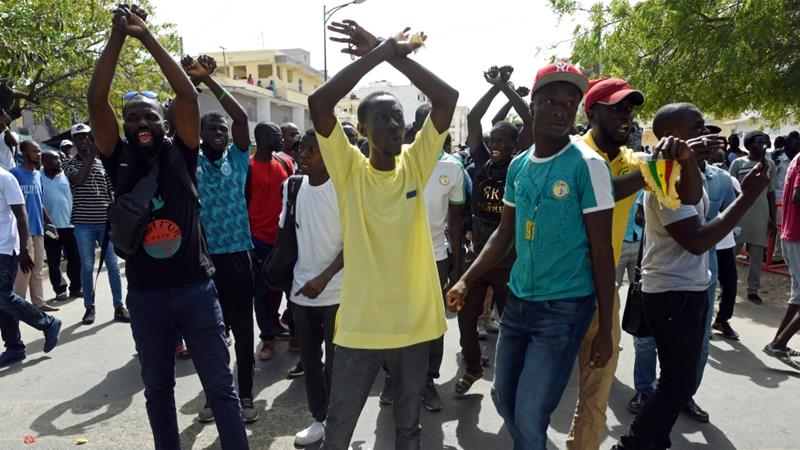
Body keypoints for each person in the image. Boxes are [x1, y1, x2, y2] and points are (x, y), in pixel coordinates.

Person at [87, 5, 248, 449]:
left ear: (164, 122)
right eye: (133, 117)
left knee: (220, 389)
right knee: (158, 391)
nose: (141, 124)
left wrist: (146, 35)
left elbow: (187, 96)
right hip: (146, 297)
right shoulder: (116, 157)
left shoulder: (183, 153)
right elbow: (96, 100)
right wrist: (117, 37)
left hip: (197, 289)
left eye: (149, 116)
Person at [448, 62, 616, 450]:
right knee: (503, 397)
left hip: (564, 310)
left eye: (570, 103)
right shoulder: (519, 166)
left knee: (530, 416)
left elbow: (602, 251)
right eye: (552, 101)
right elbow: (505, 234)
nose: (561, 109)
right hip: (519, 302)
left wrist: (605, 328)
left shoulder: (589, 166)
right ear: (533, 105)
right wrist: (466, 278)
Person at [308, 20, 457, 449]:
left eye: (399, 118)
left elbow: (447, 100)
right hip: (360, 326)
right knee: (339, 429)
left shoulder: (416, 162)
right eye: (383, 119)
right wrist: (379, 53)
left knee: (408, 429)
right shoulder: (350, 169)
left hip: (413, 324)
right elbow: (321, 104)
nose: (395, 126)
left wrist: (395, 54)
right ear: (363, 130)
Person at [612, 103, 770, 450]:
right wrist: (746, 198)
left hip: (687, 290)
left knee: (677, 381)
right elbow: (697, 240)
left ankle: (655, 441)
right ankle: (633, 444)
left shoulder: (685, 173)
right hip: (673, 294)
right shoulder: (663, 178)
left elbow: (696, 201)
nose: (709, 134)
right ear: (675, 137)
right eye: (699, 128)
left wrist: (688, 159)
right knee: (676, 385)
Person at [183, 55, 259, 424]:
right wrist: (188, 85)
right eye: (212, 128)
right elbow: (175, 118)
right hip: (205, 259)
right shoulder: (190, 159)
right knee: (211, 336)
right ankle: (215, 398)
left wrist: (210, 82)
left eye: (223, 129)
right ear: (201, 134)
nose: (220, 132)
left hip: (239, 257)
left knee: (244, 331)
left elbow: (242, 118)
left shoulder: (239, 157)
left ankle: (245, 396)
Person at [453, 65, 533, 396]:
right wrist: (496, 88)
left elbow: (529, 121)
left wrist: (510, 91)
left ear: (515, 144)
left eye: (503, 140)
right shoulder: (481, 160)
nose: (496, 144)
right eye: (493, 139)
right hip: (478, 256)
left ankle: (513, 379)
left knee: (514, 326)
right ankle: (473, 366)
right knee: (465, 318)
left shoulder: (521, 162)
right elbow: (474, 119)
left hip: (510, 259)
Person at [287, 129, 344, 446]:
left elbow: (355, 243)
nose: (303, 155)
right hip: (301, 292)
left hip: (336, 293)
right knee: (310, 363)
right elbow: (289, 236)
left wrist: (324, 277)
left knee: (338, 367)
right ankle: (319, 420)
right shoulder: (293, 186)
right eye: (301, 149)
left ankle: (339, 427)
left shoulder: (344, 190)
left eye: (312, 150)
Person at [63, 122, 126, 324]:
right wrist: (93, 153)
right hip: (83, 224)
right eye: (80, 138)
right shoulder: (69, 163)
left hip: (105, 223)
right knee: (88, 266)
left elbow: (111, 191)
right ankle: (89, 308)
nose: (85, 141)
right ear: (74, 142)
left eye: (88, 137)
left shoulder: (101, 164)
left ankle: (119, 307)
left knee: (113, 267)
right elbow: (79, 180)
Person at [0, 166, 62, 366]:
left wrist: (25, 249)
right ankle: (14, 347)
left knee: (2, 295)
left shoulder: (5, 178)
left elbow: (21, 215)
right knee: (2, 300)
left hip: (5, 247)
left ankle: (48, 323)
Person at [248, 121, 293, 361]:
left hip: (283, 239)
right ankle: (267, 337)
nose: (279, 138)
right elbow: (245, 202)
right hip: (259, 239)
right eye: (275, 134)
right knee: (263, 292)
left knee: (287, 288)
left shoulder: (285, 163)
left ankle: (283, 327)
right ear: (263, 137)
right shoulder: (249, 166)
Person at [729, 131, 777, 304]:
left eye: (765, 142)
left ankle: (752, 290)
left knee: (757, 256)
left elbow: (771, 193)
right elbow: (731, 189)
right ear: (749, 145)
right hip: (739, 214)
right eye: (758, 142)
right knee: (731, 253)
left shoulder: (770, 164)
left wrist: (772, 218)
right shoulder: (738, 163)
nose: (763, 145)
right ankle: (727, 287)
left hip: (761, 215)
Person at [10, 141, 59, 312]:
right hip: (22, 231)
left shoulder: (38, 175)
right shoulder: (14, 174)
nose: (38, 154)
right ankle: (18, 305)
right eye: (34, 151)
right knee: (25, 271)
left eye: (39, 151)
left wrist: (48, 221)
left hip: (38, 228)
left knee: (37, 268)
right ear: (23, 152)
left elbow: (40, 202)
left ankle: (39, 302)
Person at [763, 149, 800, 370]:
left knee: (797, 295)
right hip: (797, 235)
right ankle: (779, 344)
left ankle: (777, 343)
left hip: (792, 234)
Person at [41, 150, 82, 301]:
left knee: (75, 259)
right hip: (50, 227)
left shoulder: (66, 175)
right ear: (44, 162)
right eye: (54, 160)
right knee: (53, 261)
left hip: (70, 224)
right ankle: (60, 289)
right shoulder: (38, 177)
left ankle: (76, 287)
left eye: (59, 159)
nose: (59, 162)